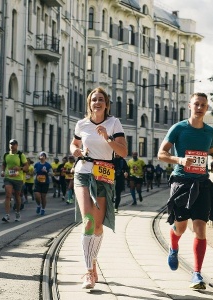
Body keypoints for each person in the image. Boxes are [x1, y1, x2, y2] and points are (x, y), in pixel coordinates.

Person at [157, 92, 213, 290]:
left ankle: (197, 273)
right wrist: (180, 160)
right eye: (196, 104)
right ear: (190, 106)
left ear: (207, 107)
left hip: (202, 183)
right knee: (181, 227)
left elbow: (211, 153)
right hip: (182, 182)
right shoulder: (179, 128)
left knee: (201, 228)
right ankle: (174, 247)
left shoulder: (209, 131)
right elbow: (161, 154)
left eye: (203, 105)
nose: (200, 107)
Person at [70, 87, 127, 289]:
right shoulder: (82, 124)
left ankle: (92, 263)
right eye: (94, 99)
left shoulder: (113, 123)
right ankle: (88, 272)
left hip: (104, 173)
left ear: (107, 104)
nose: (97, 102)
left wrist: (107, 138)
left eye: (101, 99)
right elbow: (74, 143)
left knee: (98, 226)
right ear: (89, 103)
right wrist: (75, 150)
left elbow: (123, 151)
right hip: (83, 172)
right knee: (88, 221)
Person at [1, 139, 28, 222]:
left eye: (13, 144)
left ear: (17, 145)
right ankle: (7, 215)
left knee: (17, 196)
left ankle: (17, 213)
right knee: (8, 195)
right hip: (8, 177)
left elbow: (26, 167)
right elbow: (4, 164)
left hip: (18, 178)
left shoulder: (20, 155)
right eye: (10, 144)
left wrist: (19, 168)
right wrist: (2, 171)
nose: (12, 146)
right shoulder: (6, 154)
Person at [34, 151, 53, 216]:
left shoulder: (48, 165)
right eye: (41, 155)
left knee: (43, 196)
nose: (42, 157)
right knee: (37, 196)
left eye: (43, 156)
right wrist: (32, 172)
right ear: (39, 157)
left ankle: (43, 209)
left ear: (45, 157)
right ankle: (39, 205)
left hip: (45, 183)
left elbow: (52, 174)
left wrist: (46, 171)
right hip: (37, 182)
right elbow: (33, 172)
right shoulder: (36, 164)